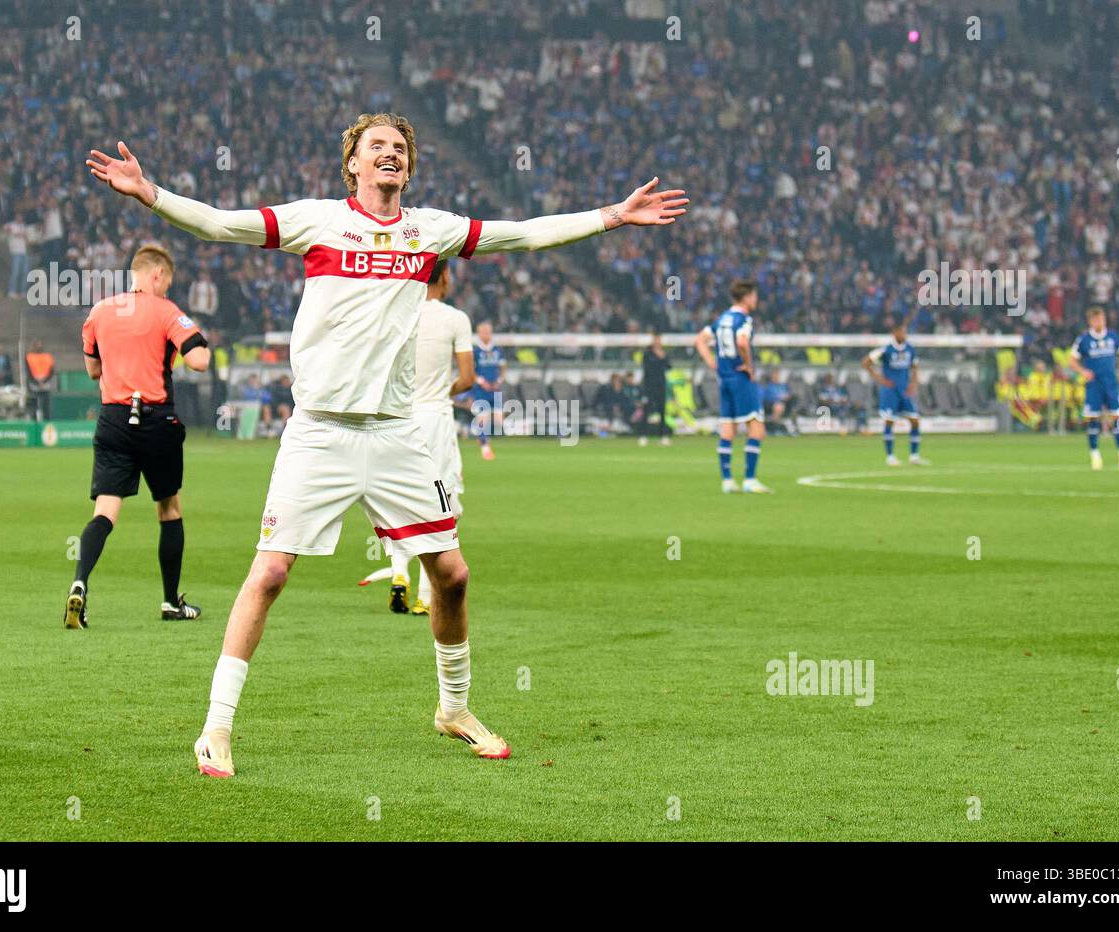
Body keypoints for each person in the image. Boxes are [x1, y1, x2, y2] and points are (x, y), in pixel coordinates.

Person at [86, 111, 687, 776]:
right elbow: (223, 223)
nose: (390, 155)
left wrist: (612, 215)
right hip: (320, 433)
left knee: (452, 576)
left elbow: (521, 236)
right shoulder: (318, 221)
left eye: (400, 148)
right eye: (377, 147)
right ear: (354, 165)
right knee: (271, 573)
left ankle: (453, 708)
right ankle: (216, 728)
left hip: (399, 433)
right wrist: (152, 194)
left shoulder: (429, 232)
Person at [65, 244, 212, 630]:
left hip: (113, 419)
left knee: (105, 512)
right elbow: (198, 360)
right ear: (158, 275)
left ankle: (79, 581)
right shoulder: (166, 311)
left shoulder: (100, 311)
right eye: (167, 282)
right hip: (157, 422)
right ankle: (169, 602)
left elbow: (93, 370)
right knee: (169, 509)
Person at [382, 259, 475, 615]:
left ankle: (398, 573)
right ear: (445, 276)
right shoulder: (455, 319)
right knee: (440, 505)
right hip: (435, 418)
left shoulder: (398, 313)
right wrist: (443, 389)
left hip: (398, 417)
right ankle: (425, 593)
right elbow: (467, 378)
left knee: (396, 499)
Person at [694, 279, 771, 493]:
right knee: (756, 426)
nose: (756, 300)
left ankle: (727, 480)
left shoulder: (721, 319)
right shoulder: (743, 319)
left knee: (728, 428)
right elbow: (743, 342)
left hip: (724, 378)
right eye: (754, 296)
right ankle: (749, 479)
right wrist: (748, 365)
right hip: (740, 378)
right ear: (746, 298)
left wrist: (712, 362)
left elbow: (700, 340)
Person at [1069, 306, 1119, 470]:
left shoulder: (1113, 336)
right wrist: (1083, 371)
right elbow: (1072, 361)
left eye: (1102, 318)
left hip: (1111, 384)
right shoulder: (1084, 340)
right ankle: (1095, 456)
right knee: (1093, 419)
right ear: (1090, 321)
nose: (1100, 322)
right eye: (1097, 319)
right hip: (1094, 386)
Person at [863, 322, 928, 466]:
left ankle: (914, 456)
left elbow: (915, 367)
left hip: (905, 391)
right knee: (889, 421)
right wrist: (879, 379)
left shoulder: (910, 349)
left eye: (905, 332)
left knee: (915, 420)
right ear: (895, 333)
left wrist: (913, 384)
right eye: (902, 332)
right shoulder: (886, 350)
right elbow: (866, 362)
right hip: (890, 391)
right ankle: (890, 456)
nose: (904, 335)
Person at [471, 320, 506, 459]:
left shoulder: (497, 349)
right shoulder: (475, 350)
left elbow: (503, 367)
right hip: (481, 389)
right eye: (483, 332)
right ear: (479, 334)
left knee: (499, 420)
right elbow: (470, 370)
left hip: (495, 389)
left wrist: (499, 380)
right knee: (482, 418)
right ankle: (485, 446)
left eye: (488, 332)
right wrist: (480, 381)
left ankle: (479, 434)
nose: (486, 334)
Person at [638, 331, 671, 446]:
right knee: (646, 411)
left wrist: (663, 357)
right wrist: (658, 358)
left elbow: (669, 367)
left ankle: (663, 436)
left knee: (662, 412)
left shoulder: (664, 353)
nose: (658, 342)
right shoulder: (647, 354)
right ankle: (643, 436)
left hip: (661, 385)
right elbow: (647, 367)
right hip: (649, 386)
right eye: (656, 340)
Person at [25, 340, 56, 421]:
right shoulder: (29, 357)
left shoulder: (48, 357)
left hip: (45, 383)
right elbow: (28, 372)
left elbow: (51, 371)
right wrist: (37, 382)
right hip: (34, 384)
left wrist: (44, 381)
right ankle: (34, 421)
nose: (38, 347)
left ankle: (47, 421)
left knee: (46, 405)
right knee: (34, 405)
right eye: (36, 345)